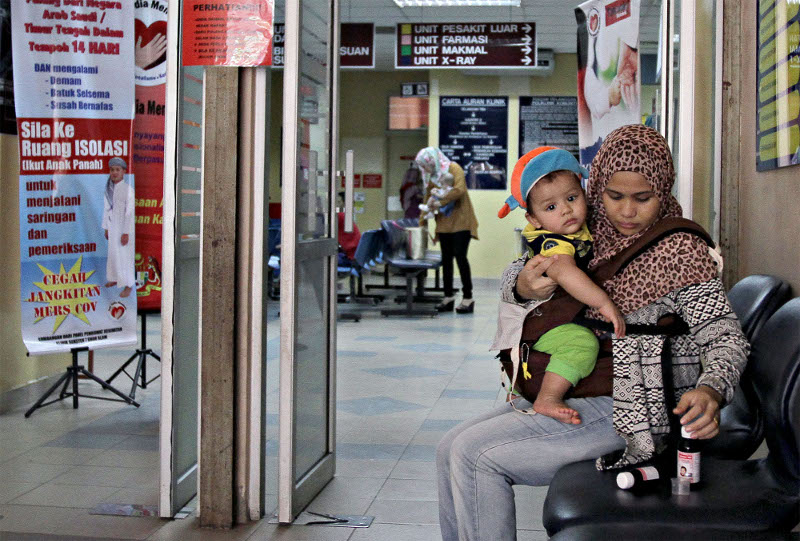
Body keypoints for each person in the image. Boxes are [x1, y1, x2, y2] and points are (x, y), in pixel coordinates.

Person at [436, 125, 749, 541]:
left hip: (636, 405)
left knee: (475, 457)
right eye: (613, 196)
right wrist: (523, 285)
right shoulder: (586, 227)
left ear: (663, 188)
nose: (626, 212)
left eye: (643, 198)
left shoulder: (681, 249)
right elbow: (526, 263)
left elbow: (726, 336)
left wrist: (711, 390)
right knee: (448, 449)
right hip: (582, 385)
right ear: (595, 186)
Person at [495, 146, 625, 424]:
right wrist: (603, 302)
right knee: (581, 344)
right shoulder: (556, 242)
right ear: (533, 218)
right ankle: (548, 398)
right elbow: (567, 273)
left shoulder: (579, 229)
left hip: (547, 324)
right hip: (543, 324)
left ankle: (520, 388)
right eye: (551, 207)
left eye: (572, 198)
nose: (566, 210)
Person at [415, 147, 479, 314]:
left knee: (460, 257)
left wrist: (440, 203)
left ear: (432, 161)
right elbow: (428, 198)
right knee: (447, 261)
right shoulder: (431, 178)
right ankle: (448, 297)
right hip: (444, 224)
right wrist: (422, 221)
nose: (425, 169)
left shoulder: (453, 168)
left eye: (425, 165)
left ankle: (468, 297)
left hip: (461, 221)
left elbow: (459, 190)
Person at [102, 157, 136, 298]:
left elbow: (129, 213)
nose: (114, 172)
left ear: (123, 172)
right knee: (113, 254)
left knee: (124, 256)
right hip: (112, 227)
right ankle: (115, 278)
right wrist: (106, 228)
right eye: (112, 170)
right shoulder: (108, 190)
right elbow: (106, 209)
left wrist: (126, 232)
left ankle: (128, 285)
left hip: (123, 229)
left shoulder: (128, 190)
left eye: (118, 170)